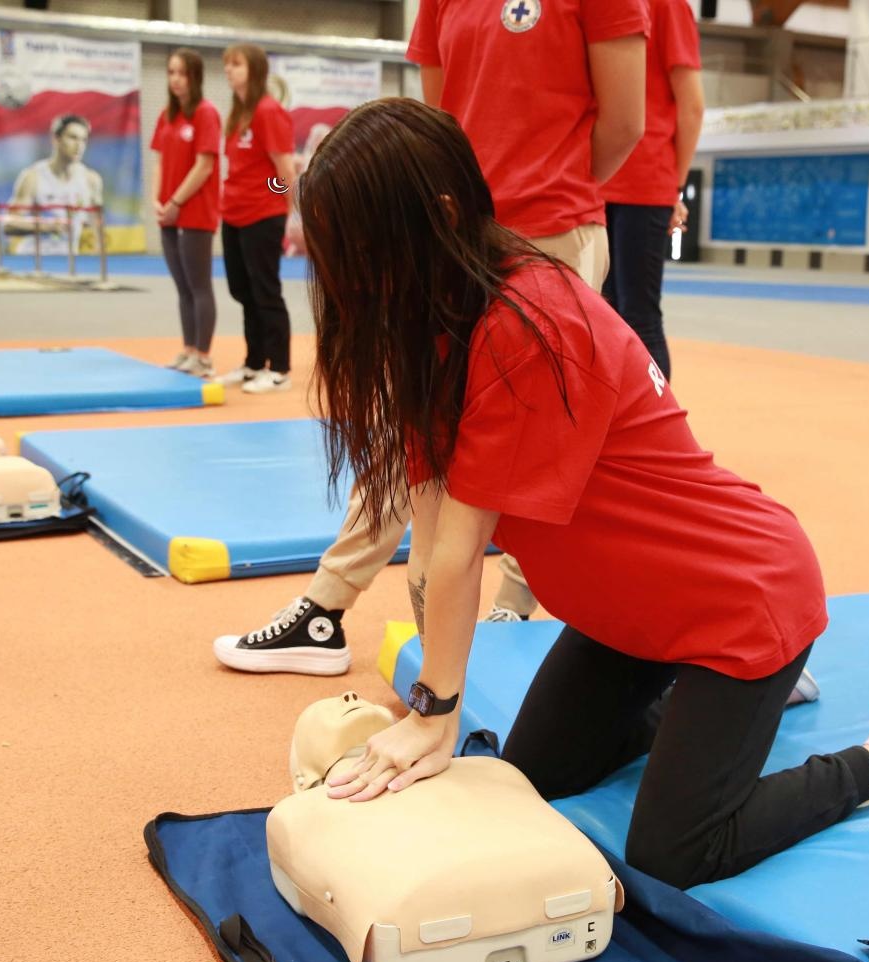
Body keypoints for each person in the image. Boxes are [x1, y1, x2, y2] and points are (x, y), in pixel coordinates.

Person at [303, 99, 869, 891]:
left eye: (357, 251)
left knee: (675, 850)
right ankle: (729, 710)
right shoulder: (433, 330)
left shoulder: (524, 321)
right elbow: (429, 534)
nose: (343, 280)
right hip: (627, 617)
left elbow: (459, 555)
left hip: (737, 599)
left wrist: (437, 709)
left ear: (438, 216)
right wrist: (424, 711)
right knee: (530, 778)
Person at [213, 0, 649, 676]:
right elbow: (440, 130)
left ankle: (516, 605)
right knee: (407, 425)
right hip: (445, 237)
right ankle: (328, 607)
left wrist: (544, 189)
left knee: (547, 442)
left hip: (550, 228)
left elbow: (625, 122)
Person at [600, 0, 703, 380]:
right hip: (598, 181)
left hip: (644, 184)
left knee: (639, 315)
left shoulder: (668, 7)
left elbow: (692, 106)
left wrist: (672, 186)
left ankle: (656, 427)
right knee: (603, 314)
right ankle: (617, 419)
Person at [216, 44, 297, 395]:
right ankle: (253, 362)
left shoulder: (269, 111)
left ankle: (278, 368)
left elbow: (284, 171)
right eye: (227, 65)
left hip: (262, 215)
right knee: (242, 290)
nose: (228, 70)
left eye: (236, 65)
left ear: (255, 70)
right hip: (232, 213)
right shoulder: (237, 114)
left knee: (265, 291)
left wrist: (277, 204)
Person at [150, 48, 220, 378]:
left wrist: (177, 201)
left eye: (181, 73)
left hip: (194, 212)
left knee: (198, 285)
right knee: (182, 285)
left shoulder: (206, 114)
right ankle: (189, 348)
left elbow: (204, 165)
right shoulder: (166, 115)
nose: (175, 79)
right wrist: (157, 200)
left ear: (194, 77)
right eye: (170, 72)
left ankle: (204, 356)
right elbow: (160, 162)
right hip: (168, 213)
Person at [5, 114, 104, 256]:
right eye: (72, 138)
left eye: (84, 140)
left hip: (70, 262)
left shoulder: (92, 180)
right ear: (56, 139)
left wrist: (98, 248)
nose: (79, 145)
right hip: (33, 260)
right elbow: (9, 225)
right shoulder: (32, 177)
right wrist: (48, 227)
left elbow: (96, 222)